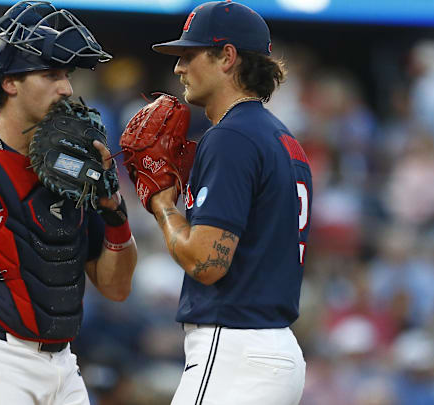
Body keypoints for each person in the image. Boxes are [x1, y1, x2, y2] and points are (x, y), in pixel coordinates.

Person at [0, 2, 138, 405]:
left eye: (66, 76)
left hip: (64, 364)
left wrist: (113, 207)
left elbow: (116, 287)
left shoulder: (72, 169)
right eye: (51, 74)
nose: (66, 88)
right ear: (10, 83)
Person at [147, 2, 312, 404]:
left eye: (189, 55)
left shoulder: (231, 137)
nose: (178, 68)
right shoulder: (283, 139)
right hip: (272, 349)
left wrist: (162, 205)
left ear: (227, 57)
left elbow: (206, 263)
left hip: (235, 349)